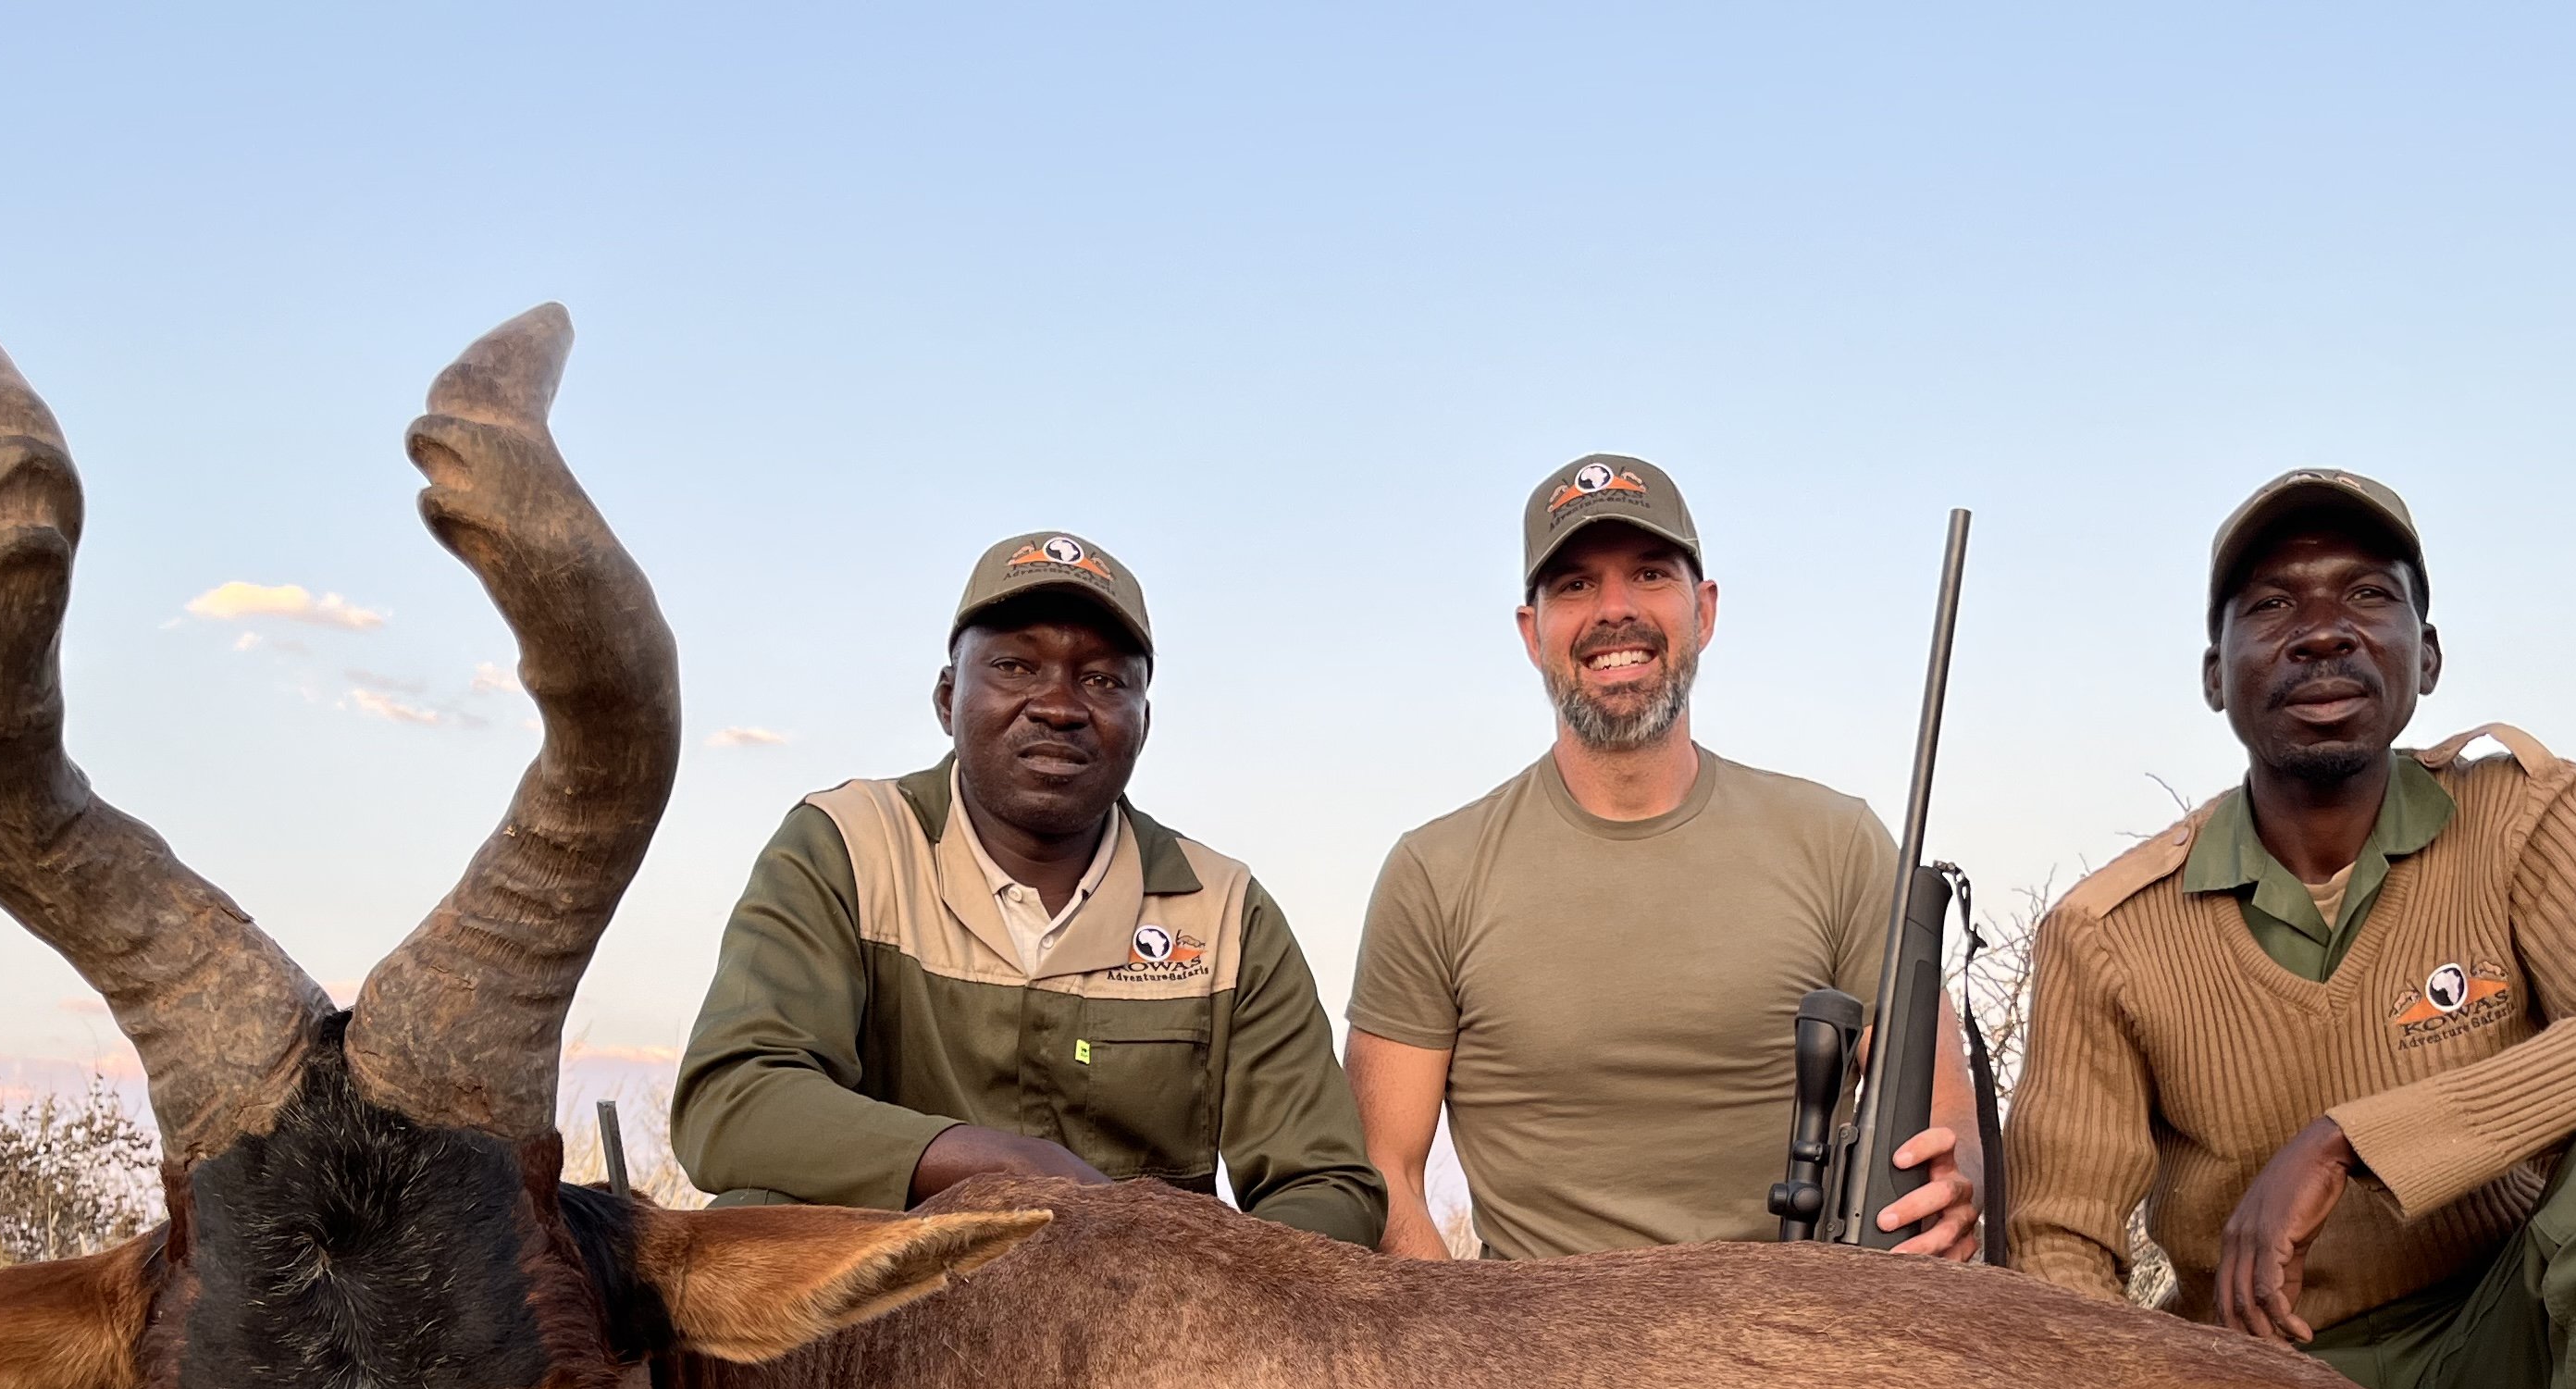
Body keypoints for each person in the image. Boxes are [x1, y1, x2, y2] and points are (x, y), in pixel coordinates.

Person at [2003, 470, 2576, 1389]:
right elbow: (2060, 1256)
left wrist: (2352, 1141)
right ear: (2216, 676)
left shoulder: (2521, 814)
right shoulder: (2104, 930)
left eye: (2367, 597)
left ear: (2427, 654)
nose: (2323, 633)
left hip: (2500, 1346)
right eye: (2271, 606)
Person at [1344, 455, 1979, 1263]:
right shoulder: (1432, 873)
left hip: (1809, 1345)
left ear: (1703, 611)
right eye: (1574, 585)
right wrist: (1464, 1363)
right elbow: (1383, 1171)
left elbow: (1943, 1115)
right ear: (1530, 631)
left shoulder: (1839, 841)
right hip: (1537, 1366)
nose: (1615, 610)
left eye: (1649, 574)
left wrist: (1955, 1184)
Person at [674, 531, 1381, 1244]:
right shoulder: (847, 844)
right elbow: (733, 1100)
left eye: (1103, 680)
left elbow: (1327, 1185)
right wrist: (1007, 1166)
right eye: (1014, 666)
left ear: (1144, 722)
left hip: (1135, 1325)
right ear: (948, 698)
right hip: (881, 1313)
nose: (1058, 706)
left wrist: (1200, 1292)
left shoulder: (1225, 909)